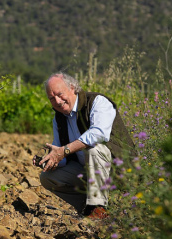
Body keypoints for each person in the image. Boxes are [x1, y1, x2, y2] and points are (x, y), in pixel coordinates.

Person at [34, 72, 135, 219]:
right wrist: (50, 160)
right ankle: (88, 210)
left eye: (59, 94)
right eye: (51, 98)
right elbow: (60, 152)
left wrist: (65, 150)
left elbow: (99, 134)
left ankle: (98, 207)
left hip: (118, 169)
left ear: (73, 88)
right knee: (47, 177)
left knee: (94, 148)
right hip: (89, 171)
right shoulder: (59, 118)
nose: (57, 100)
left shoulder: (97, 102)